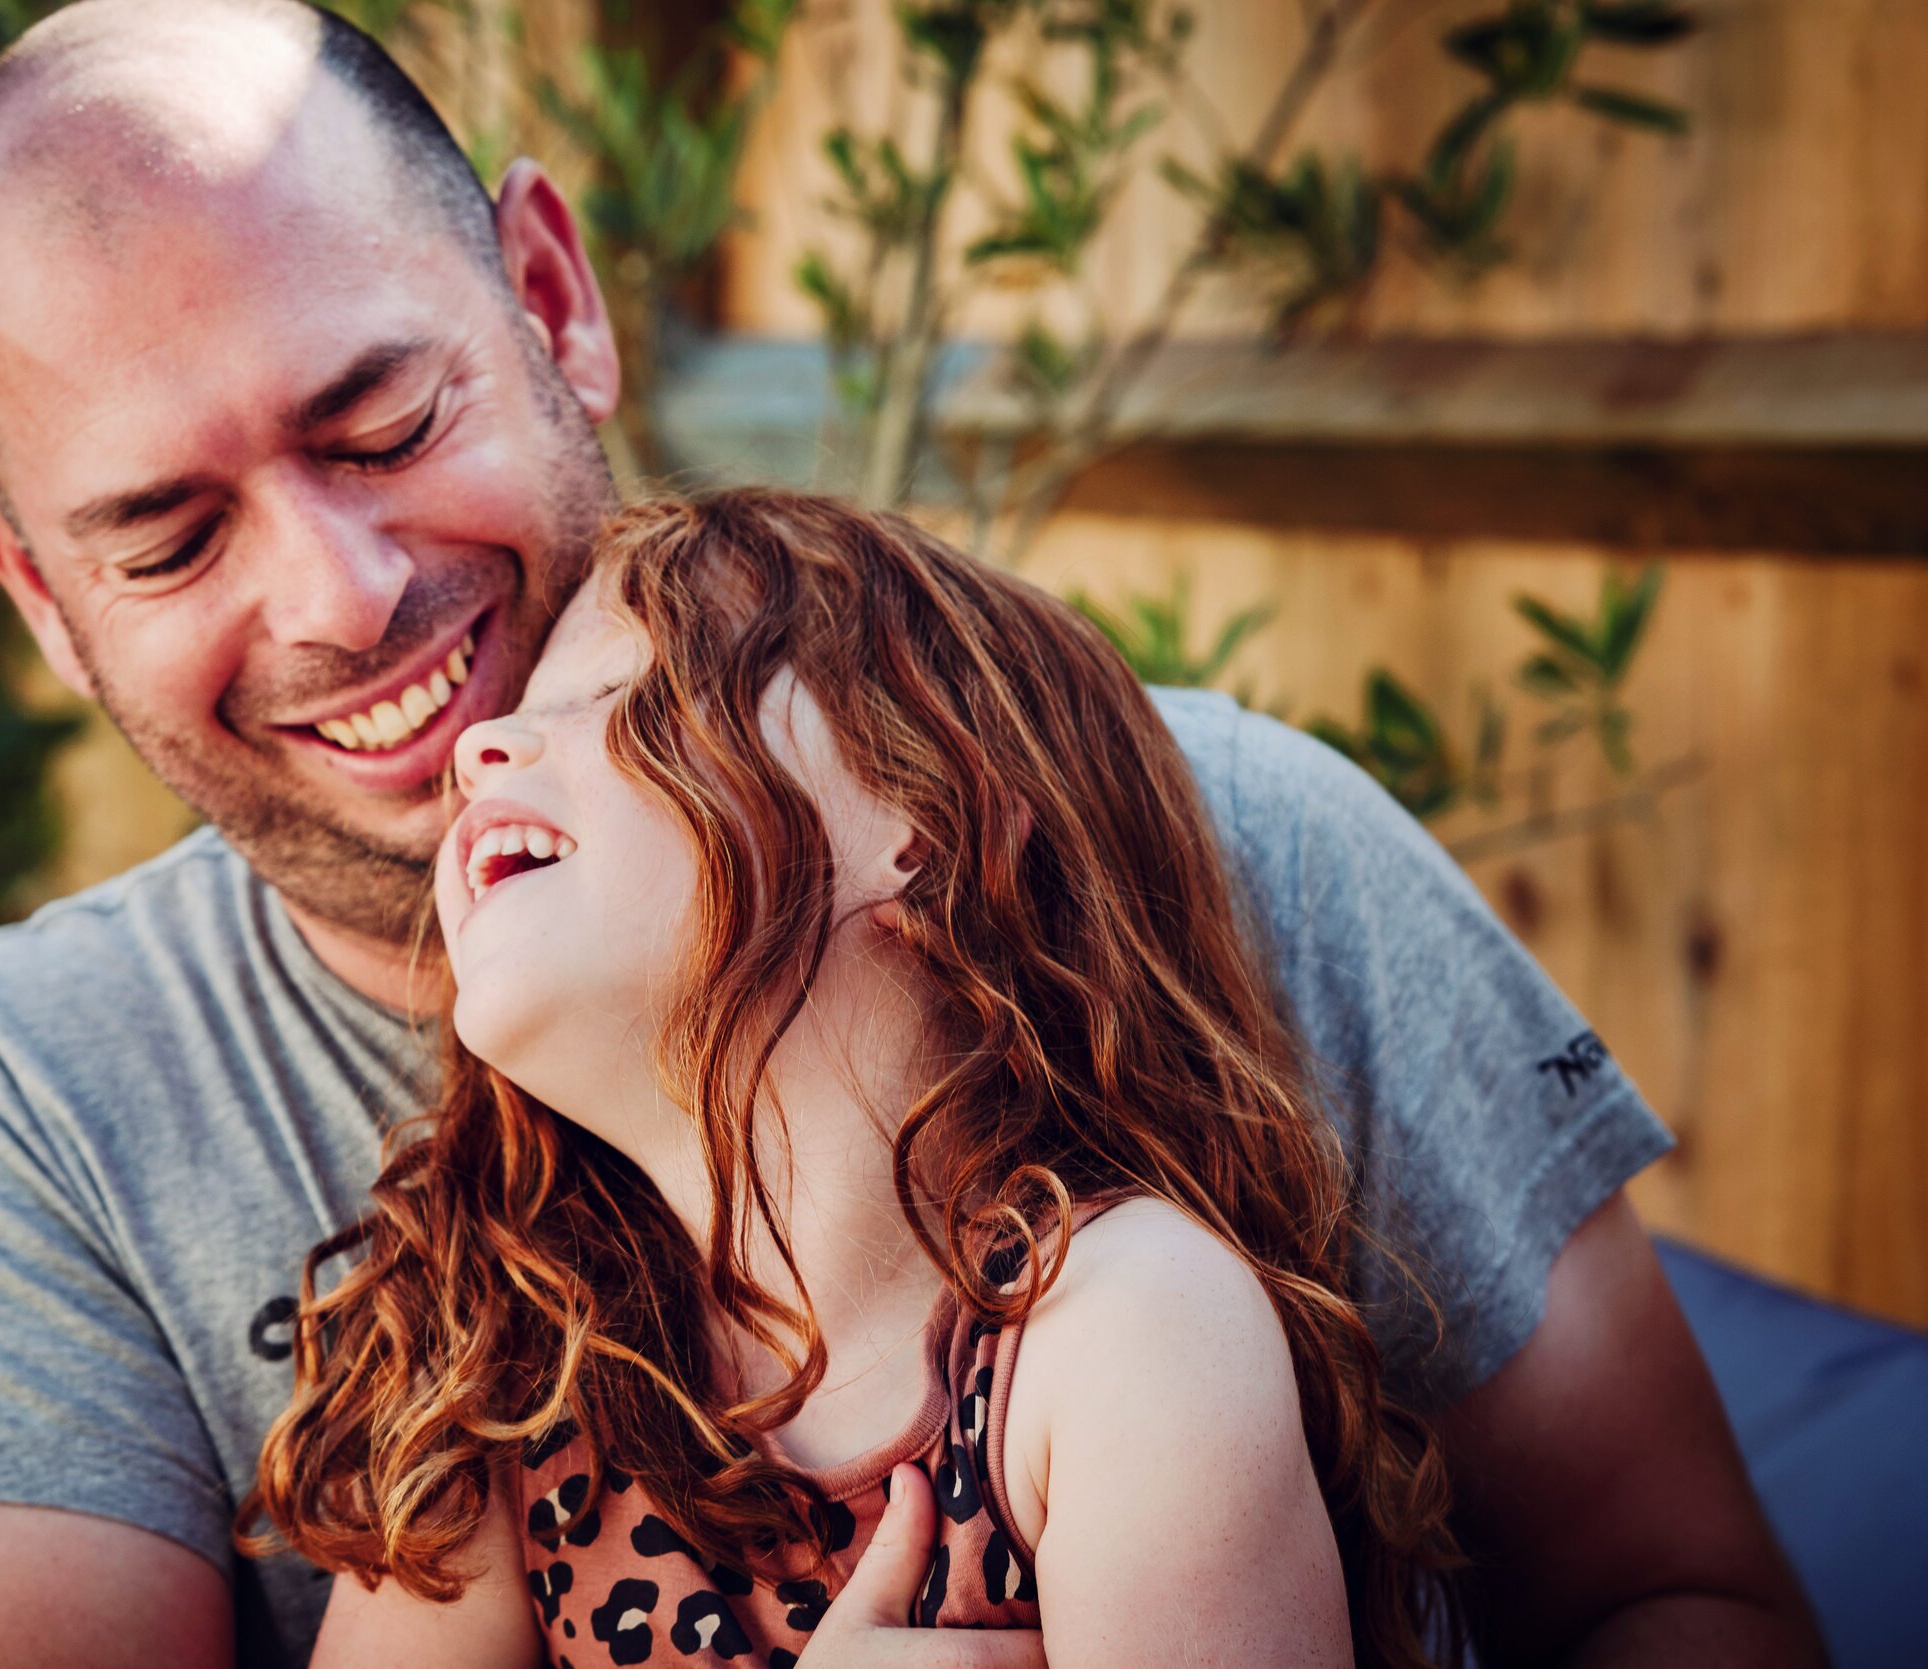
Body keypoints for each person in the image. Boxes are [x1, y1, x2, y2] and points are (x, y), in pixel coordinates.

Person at [0, 2, 1819, 1665]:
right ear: (34, 597)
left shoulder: (1220, 873)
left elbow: (1674, 1599)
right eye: (165, 534)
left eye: (386, 425)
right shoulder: (51, 1127)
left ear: (546, 298)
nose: (337, 599)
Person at [249, 489, 1461, 1668]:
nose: (479, 746)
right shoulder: (505, 1362)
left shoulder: (1122, 1328)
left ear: (926, 822)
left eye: (630, 694)